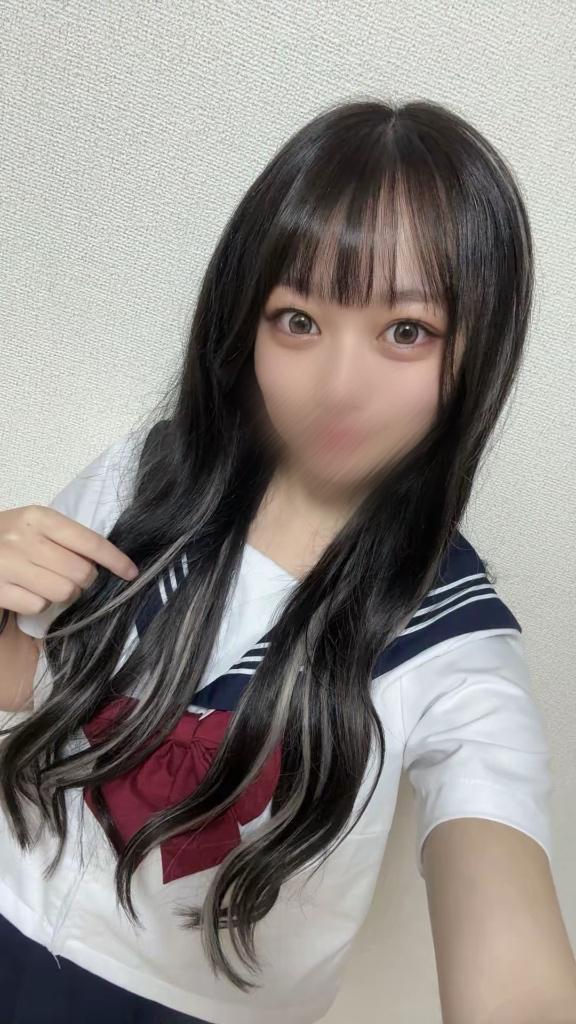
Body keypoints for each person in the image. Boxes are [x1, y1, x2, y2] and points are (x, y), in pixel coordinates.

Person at [1, 97, 575, 1024]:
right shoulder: (149, 476)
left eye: (406, 331)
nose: (338, 386)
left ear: (476, 349)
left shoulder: (450, 644)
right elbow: (38, 682)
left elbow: (504, 905)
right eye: (298, 319)